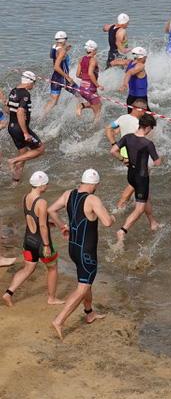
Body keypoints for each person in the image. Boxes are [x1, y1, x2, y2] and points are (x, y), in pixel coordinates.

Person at [48, 169, 114, 340]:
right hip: (87, 253)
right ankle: (59, 320)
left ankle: (89, 313)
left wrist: (62, 226)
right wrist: (113, 217)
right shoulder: (92, 199)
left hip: (73, 248)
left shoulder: (68, 194)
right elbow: (107, 222)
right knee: (83, 287)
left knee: (85, 282)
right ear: (94, 184)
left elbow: (51, 210)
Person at [2, 171, 64, 307]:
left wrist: (47, 222)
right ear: (41, 185)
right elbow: (42, 225)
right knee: (52, 268)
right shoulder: (42, 202)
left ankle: (8, 293)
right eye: (46, 184)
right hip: (41, 243)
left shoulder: (25, 197)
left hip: (28, 240)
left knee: (27, 269)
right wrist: (46, 245)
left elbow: (32, 217)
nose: (47, 186)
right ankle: (52, 298)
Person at [111, 115, 161, 244]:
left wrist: (123, 159)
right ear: (148, 127)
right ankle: (123, 230)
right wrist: (160, 158)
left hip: (131, 175)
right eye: (151, 128)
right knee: (139, 209)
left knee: (145, 198)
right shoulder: (148, 143)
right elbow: (157, 163)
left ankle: (153, 223)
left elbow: (113, 150)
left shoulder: (127, 137)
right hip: (142, 177)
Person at [105, 99, 147, 210]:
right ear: (139, 109)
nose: (145, 113)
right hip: (135, 155)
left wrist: (113, 143)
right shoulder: (138, 124)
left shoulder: (122, 118)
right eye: (144, 111)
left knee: (135, 179)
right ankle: (120, 205)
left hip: (124, 152)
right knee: (135, 182)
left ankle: (132, 201)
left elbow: (108, 128)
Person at [7, 71, 45, 183]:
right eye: (34, 82)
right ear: (29, 82)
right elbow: (20, 111)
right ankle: (12, 161)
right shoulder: (25, 94)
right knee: (40, 149)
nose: (34, 85)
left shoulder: (14, 91)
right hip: (20, 129)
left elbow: (9, 108)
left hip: (12, 127)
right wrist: (25, 133)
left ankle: (15, 180)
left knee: (24, 154)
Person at [42, 31, 82, 118]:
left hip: (55, 77)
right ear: (64, 40)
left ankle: (41, 116)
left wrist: (65, 50)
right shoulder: (62, 51)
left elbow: (54, 57)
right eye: (66, 39)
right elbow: (56, 67)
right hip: (63, 78)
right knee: (80, 94)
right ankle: (78, 115)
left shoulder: (54, 48)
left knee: (53, 101)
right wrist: (67, 77)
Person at [75, 40, 104, 122]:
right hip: (90, 88)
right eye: (96, 50)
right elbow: (90, 74)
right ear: (93, 50)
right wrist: (98, 85)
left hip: (82, 87)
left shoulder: (81, 59)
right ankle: (94, 128)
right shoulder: (93, 60)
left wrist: (85, 79)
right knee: (98, 113)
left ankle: (82, 106)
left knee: (98, 104)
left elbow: (77, 75)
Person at [119, 47, 150, 113]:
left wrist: (111, 64)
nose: (146, 59)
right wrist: (124, 84)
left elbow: (114, 62)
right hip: (140, 99)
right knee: (148, 117)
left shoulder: (129, 62)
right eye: (145, 57)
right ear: (141, 57)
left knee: (131, 117)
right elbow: (129, 72)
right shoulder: (140, 66)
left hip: (131, 98)